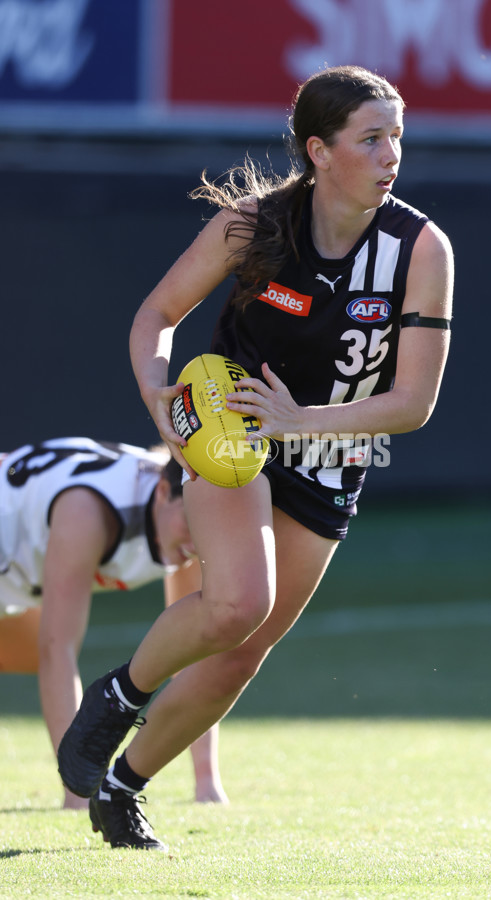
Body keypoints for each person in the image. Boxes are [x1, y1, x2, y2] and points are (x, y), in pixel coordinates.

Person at [58, 64, 454, 851]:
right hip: (232, 437)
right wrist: (157, 400)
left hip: (330, 453)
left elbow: (412, 404)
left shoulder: (421, 247)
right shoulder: (253, 224)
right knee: (238, 603)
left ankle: (120, 785)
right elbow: (156, 317)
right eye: (371, 138)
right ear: (319, 149)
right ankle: (117, 693)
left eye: (397, 138)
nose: (391, 155)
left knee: (243, 655)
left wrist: (302, 419)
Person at [0, 437, 227, 811]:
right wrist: (77, 795)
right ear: (163, 492)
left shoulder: (184, 511)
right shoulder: (86, 511)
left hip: (16, 583)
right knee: (46, 651)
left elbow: (193, 653)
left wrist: (207, 783)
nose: (199, 543)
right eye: (191, 522)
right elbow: (57, 650)